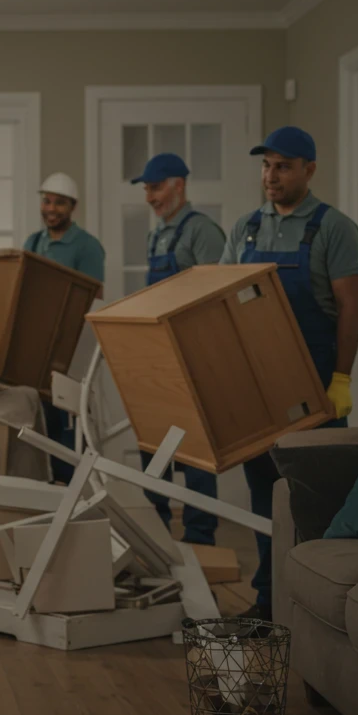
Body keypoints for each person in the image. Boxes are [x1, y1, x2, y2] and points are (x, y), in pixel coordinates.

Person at [221, 126, 358, 619]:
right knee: (265, 493)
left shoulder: (334, 228)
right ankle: (269, 600)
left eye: (283, 166)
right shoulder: (244, 229)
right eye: (266, 165)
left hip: (314, 379)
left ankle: (320, 607)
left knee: (316, 495)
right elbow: (220, 302)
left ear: (310, 170)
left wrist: (341, 378)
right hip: (256, 382)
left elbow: (349, 309)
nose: (271, 175)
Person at [131, 153, 226, 546]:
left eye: (155, 188)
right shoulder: (158, 234)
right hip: (159, 359)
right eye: (147, 190)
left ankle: (200, 539)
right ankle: (156, 537)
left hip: (195, 359)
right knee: (154, 449)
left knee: (196, 456)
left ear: (179, 185)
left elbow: (218, 299)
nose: (150, 197)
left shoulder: (202, 232)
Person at [22, 173, 106, 483]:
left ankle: (74, 489)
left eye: (59, 202)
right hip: (37, 349)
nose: (51, 208)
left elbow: (94, 299)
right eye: (47, 201)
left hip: (71, 350)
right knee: (42, 420)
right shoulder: (33, 242)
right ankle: (51, 490)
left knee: (69, 422)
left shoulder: (87, 247)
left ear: (72, 207)